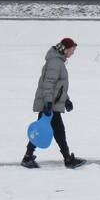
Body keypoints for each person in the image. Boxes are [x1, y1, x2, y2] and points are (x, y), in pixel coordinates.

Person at [21, 38, 85, 169]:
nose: (73, 53)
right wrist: (48, 102)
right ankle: (66, 159)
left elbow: (59, 87)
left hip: (53, 102)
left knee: (50, 130)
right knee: (49, 131)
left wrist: (66, 99)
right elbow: (48, 84)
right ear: (65, 49)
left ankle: (29, 157)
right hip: (50, 103)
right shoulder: (56, 62)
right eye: (72, 50)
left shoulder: (58, 62)